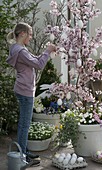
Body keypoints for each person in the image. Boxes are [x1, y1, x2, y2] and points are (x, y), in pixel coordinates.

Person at [6, 22, 56, 163]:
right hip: (25, 91)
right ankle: (23, 156)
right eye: (30, 34)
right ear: (22, 34)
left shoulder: (20, 48)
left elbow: (35, 61)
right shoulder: (20, 51)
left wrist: (47, 52)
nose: (31, 37)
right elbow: (39, 65)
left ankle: (24, 151)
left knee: (24, 123)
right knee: (24, 124)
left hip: (23, 89)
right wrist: (47, 51)